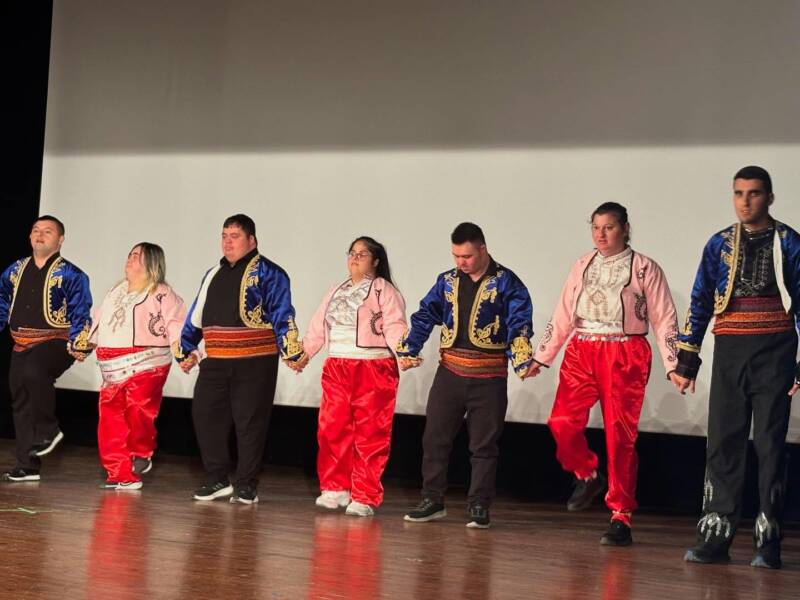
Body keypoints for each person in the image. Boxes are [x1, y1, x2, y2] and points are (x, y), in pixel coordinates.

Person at [527, 202, 681, 546]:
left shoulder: (644, 268)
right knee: (561, 421)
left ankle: (621, 515)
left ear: (625, 228)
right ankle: (586, 473)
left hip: (625, 352)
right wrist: (542, 355)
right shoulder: (582, 264)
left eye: (608, 227)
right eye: (596, 227)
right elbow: (564, 312)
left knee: (619, 436)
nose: (600, 234)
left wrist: (675, 364)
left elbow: (664, 317)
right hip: (582, 348)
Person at [677, 166, 800, 569]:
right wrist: (687, 361)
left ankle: (768, 540)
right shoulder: (719, 244)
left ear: (770, 197)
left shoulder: (790, 242)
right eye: (738, 193)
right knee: (723, 441)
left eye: (754, 193)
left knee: (769, 444)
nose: (745, 202)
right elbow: (700, 299)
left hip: (775, 351)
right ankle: (715, 537)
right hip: (730, 350)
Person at [398, 222, 534, 529]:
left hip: (489, 377)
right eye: (456, 256)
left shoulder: (507, 282)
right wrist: (409, 348)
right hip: (449, 373)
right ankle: (432, 499)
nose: (461, 262)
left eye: (467, 256)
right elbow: (425, 314)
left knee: (483, 445)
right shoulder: (447, 281)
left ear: (483, 249)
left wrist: (522, 359)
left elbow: (519, 322)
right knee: (434, 438)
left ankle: (479, 504)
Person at [177, 214, 306, 504]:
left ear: (252, 240)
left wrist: (291, 351)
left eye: (234, 236)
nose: (227, 242)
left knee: (249, 423)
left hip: (254, 359)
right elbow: (196, 316)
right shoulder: (212, 273)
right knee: (205, 415)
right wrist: (186, 349)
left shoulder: (271, 273)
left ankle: (247, 484)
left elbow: (282, 313)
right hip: (217, 358)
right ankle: (217, 479)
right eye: (224, 236)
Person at [300, 236, 407, 517]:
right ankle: (335, 487)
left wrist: (404, 352)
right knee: (332, 427)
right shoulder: (336, 290)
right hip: (338, 364)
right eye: (352, 253)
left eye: (363, 254)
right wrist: (304, 354)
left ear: (376, 261)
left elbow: (395, 325)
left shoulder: (384, 290)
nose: (355, 258)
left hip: (373, 366)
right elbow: (317, 326)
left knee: (371, 432)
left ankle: (364, 494)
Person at [0, 215, 92, 482]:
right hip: (21, 343)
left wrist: (79, 341)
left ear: (60, 240)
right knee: (20, 397)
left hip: (57, 340)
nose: (39, 235)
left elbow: (80, 310)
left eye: (47, 231)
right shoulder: (14, 270)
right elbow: (2, 302)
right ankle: (27, 464)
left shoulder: (72, 274)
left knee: (34, 371)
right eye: (36, 230)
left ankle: (49, 430)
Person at [89, 243, 186, 490]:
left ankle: (140, 452)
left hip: (147, 363)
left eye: (137, 256)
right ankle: (120, 473)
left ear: (152, 263)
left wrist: (183, 349)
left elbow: (175, 322)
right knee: (110, 419)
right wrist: (85, 343)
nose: (130, 259)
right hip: (111, 366)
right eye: (130, 254)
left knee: (138, 410)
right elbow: (99, 319)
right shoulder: (116, 291)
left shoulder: (162, 293)